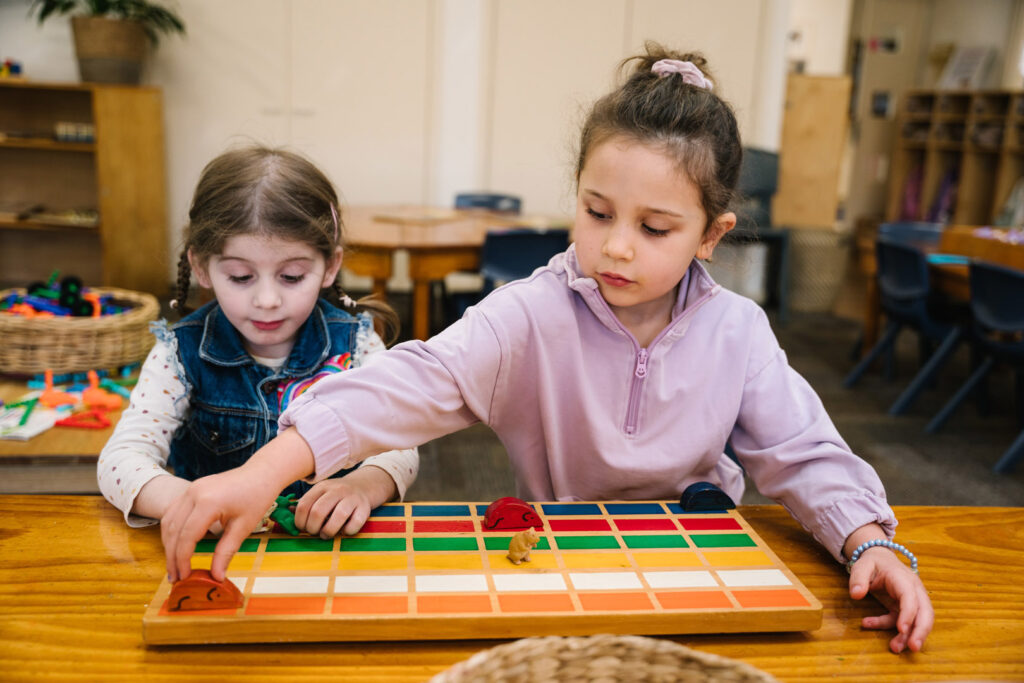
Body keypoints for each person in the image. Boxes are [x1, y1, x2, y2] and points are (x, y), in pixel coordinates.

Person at [160, 46, 932, 653]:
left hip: (698, 560)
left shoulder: (739, 331)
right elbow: (409, 382)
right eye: (597, 212)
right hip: (562, 564)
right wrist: (266, 471)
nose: (617, 247)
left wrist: (869, 538)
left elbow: (805, 452)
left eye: (655, 228)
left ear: (711, 236)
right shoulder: (528, 314)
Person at [98, 145, 418, 538]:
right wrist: (188, 502)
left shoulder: (356, 343)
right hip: (219, 562)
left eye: (292, 276)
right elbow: (120, 459)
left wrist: (364, 486)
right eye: (240, 277)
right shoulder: (178, 353)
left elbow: (401, 441)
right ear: (201, 267)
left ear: (330, 266)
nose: (267, 301)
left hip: (327, 556)